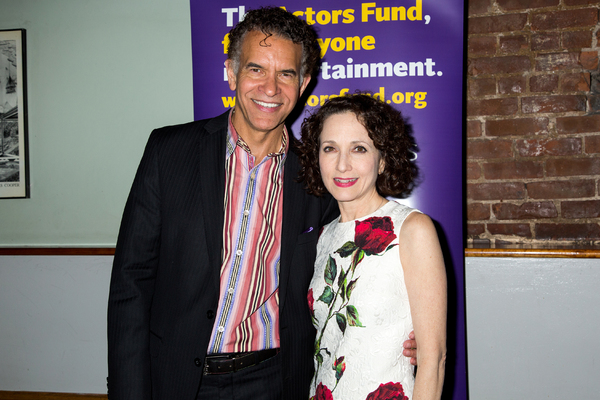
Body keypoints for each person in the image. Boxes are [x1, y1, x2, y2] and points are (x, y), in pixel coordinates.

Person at [107, 7, 418, 400]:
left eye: (286, 74)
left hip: (274, 381)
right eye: (256, 69)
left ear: (304, 82)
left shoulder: (319, 178)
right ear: (231, 72)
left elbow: (354, 266)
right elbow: (130, 283)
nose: (270, 88)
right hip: (175, 377)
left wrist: (410, 331)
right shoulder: (169, 152)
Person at [298, 94, 446, 400]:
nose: (342, 164)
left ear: (382, 161)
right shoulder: (323, 237)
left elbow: (434, 359)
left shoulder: (412, 229)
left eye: (359, 149)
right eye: (330, 149)